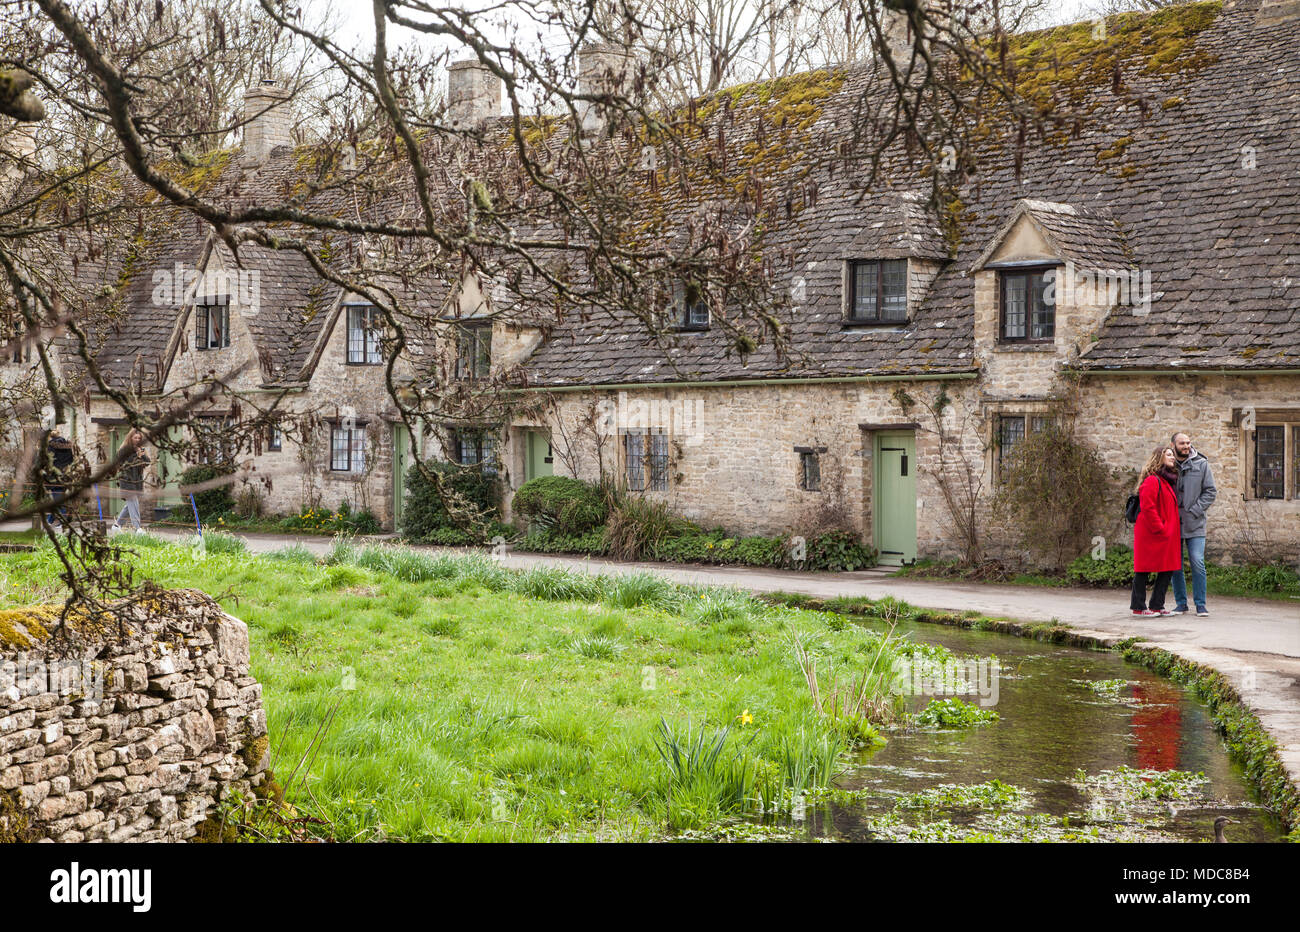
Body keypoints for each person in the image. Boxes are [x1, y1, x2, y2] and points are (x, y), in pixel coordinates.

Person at [1131, 444, 1182, 616]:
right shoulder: (1152, 480)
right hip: (1151, 533)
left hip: (1166, 534)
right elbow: (1148, 507)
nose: (1172, 457)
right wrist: (1160, 528)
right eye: (1169, 455)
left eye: (1173, 455)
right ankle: (1138, 607)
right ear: (1159, 458)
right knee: (1143, 570)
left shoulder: (1167, 480)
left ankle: (1157, 605)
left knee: (1167, 568)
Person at [1169, 431, 1217, 617]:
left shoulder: (1202, 464)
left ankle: (1200, 604)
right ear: (1173, 444)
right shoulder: (1167, 465)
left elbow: (1210, 491)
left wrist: (1195, 510)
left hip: (1195, 523)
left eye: (1188, 442)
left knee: (1197, 562)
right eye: (1182, 443)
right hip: (1173, 524)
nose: (1186, 446)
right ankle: (1181, 604)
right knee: (1175, 565)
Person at [113, 430, 150, 532]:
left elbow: (147, 462)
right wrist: (136, 456)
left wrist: (142, 455)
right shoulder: (123, 450)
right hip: (127, 481)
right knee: (134, 503)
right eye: (135, 438)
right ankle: (137, 529)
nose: (137, 440)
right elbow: (122, 464)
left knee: (130, 505)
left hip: (137, 482)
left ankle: (117, 525)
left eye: (139, 438)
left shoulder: (139, 449)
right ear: (130, 438)